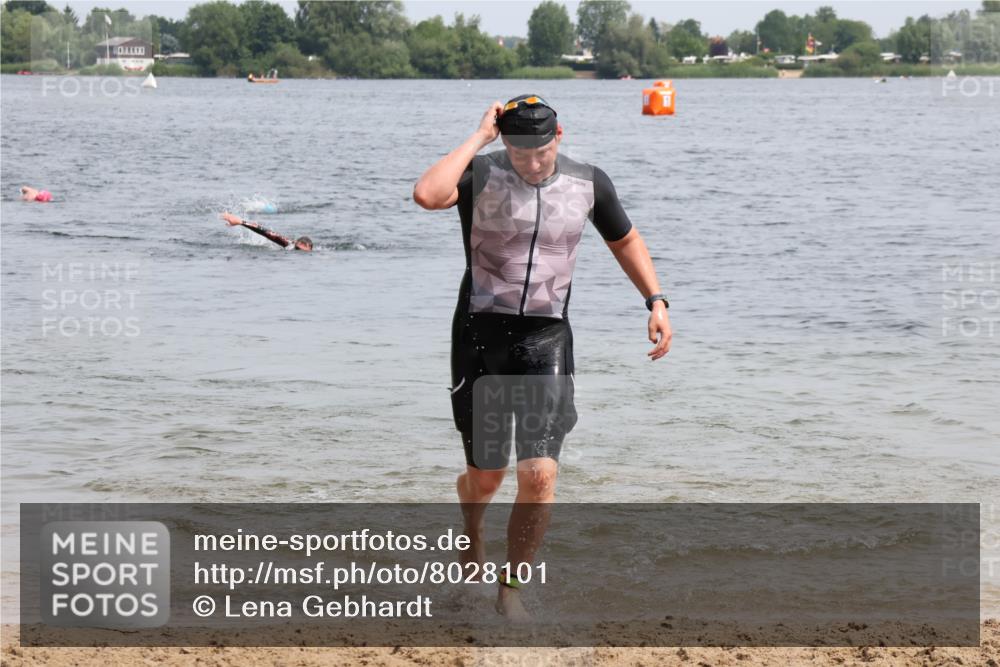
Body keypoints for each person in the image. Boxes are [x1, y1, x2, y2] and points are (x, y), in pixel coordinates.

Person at [413, 94, 672, 620]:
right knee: (486, 476)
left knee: (540, 476)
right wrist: (479, 137)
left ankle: (511, 588)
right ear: (505, 142)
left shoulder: (587, 182)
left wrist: (656, 300)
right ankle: (472, 530)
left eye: (540, 153)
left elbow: (625, 240)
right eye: (519, 152)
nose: (531, 164)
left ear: (560, 136)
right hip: (480, 339)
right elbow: (426, 194)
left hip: (545, 339)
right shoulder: (481, 173)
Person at [220, 212, 312, 252]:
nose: (300, 253)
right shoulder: (288, 244)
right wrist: (240, 222)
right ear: (295, 244)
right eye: (298, 250)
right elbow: (264, 231)